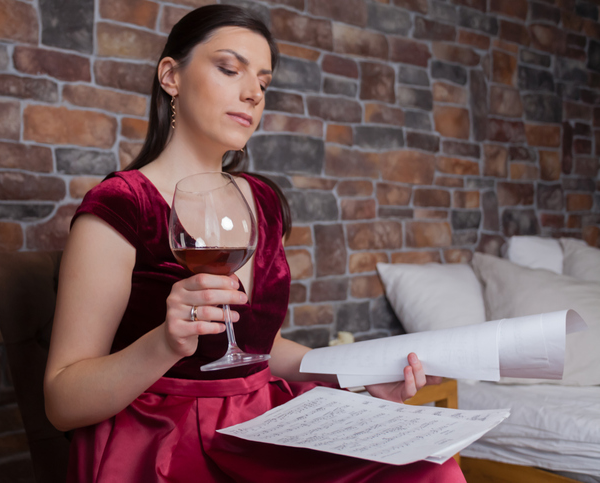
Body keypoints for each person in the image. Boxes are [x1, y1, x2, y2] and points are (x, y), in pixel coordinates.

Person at [44, 5, 466, 482]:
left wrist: (357, 374)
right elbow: (62, 401)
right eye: (229, 69)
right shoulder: (122, 205)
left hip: (262, 421)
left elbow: (262, 349)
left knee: (428, 468)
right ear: (170, 76)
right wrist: (164, 343)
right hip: (161, 441)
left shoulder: (260, 200)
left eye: (263, 84)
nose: (252, 94)